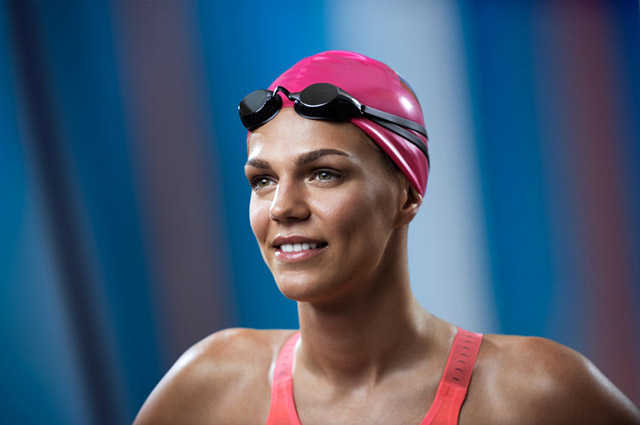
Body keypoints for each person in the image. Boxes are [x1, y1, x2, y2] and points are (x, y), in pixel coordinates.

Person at [133, 50, 640, 425]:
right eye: (263, 180)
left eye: (324, 174)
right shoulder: (213, 390)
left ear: (407, 196)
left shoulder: (533, 396)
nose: (282, 207)